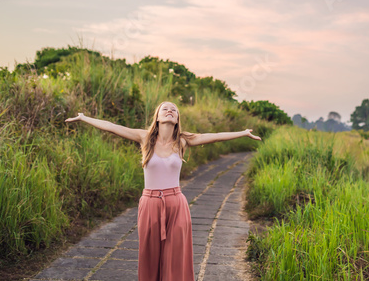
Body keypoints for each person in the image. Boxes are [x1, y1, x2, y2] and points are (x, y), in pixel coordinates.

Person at [65, 101, 262, 281]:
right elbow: (112, 127)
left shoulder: (182, 141)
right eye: (165, 108)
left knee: (175, 258)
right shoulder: (144, 137)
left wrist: (243, 133)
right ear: (157, 117)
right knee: (149, 257)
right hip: (149, 203)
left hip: (176, 204)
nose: (170, 110)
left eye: (174, 110)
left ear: (177, 119)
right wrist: (84, 118)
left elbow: (214, 137)